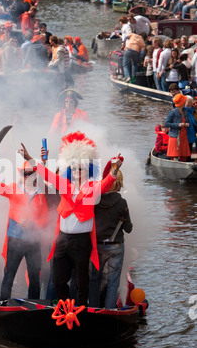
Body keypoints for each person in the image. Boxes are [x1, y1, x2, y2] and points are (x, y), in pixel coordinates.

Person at [18, 132, 123, 306]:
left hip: (81, 242)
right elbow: (45, 173)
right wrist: (29, 158)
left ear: (87, 169)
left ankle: (80, 308)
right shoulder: (64, 184)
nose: (76, 171)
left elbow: (106, 184)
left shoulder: (92, 187)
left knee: (81, 281)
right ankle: (65, 305)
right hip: (62, 240)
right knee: (58, 279)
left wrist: (114, 171)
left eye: (79, 168)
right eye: (73, 168)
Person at [0, 158, 49, 302]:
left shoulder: (41, 195)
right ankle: (3, 304)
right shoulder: (13, 189)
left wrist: (32, 224)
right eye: (25, 173)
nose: (28, 176)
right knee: (9, 277)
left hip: (33, 243)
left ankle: (33, 307)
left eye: (31, 173)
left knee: (34, 278)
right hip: (14, 240)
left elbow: (46, 219)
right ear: (21, 175)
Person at [89, 166, 132, 308]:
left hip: (97, 246)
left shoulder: (95, 200)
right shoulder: (122, 203)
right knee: (113, 282)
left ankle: (93, 309)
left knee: (95, 279)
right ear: (118, 183)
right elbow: (129, 229)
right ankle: (109, 310)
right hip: (116, 246)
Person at [164, 93, 191, 161]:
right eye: (185, 100)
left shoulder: (185, 111)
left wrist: (187, 124)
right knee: (174, 155)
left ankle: (183, 165)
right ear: (182, 102)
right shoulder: (173, 112)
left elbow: (187, 121)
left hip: (184, 136)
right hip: (175, 136)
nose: (186, 101)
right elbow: (166, 123)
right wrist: (178, 125)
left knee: (184, 155)